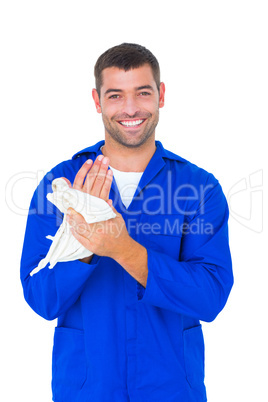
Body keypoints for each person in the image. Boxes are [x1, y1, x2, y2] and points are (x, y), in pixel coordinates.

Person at [20, 43, 233, 402]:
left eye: (143, 93)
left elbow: (210, 296)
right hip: (87, 388)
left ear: (161, 95)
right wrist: (84, 246)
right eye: (115, 95)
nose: (130, 108)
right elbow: (42, 297)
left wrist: (122, 249)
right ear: (97, 99)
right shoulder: (63, 185)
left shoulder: (198, 188)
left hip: (170, 388)